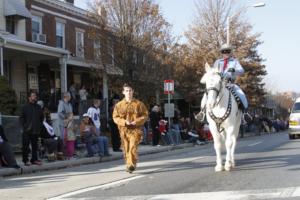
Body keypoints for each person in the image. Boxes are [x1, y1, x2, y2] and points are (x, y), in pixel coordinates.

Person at [196, 44, 248, 121]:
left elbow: (242, 71)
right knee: (206, 95)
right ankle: (202, 112)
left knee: (241, 94)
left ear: (230, 52)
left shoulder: (234, 61)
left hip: (230, 84)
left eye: (228, 51)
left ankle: (245, 114)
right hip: (219, 84)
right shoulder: (217, 62)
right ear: (222, 52)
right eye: (224, 51)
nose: (226, 53)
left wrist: (234, 70)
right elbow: (213, 72)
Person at [113, 83, 148, 173]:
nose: (128, 92)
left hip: (135, 130)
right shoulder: (119, 105)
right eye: (127, 91)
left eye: (130, 91)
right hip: (124, 130)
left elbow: (145, 115)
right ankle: (129, 164)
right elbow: (115, 117)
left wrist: (136, 121)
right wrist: (124, 122)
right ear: (123, 92)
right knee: (126, 148)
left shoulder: (139, 104)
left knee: (132, 147)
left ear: (133, 92)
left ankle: (131, 165)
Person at [19, 91, 43, 166]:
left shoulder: (38, 107)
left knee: (34, 146)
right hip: (27, 130)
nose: (34, 97)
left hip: (35, 130)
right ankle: (25, 160)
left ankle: (34, 159)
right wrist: (25, 126)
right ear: (29, 97)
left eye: (35, 95)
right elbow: (21, 118)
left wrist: (39, 125)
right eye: (33, 95)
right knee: (25, 146)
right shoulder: (24, 107)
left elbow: (41, 118)